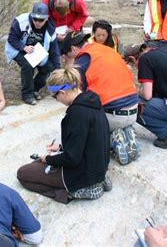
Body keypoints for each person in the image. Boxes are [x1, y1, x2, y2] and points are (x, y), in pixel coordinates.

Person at [17, 67, 111, 204]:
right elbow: (89, 140)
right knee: (36, 164)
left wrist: (47, 159)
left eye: (55, 97)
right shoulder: (93, 101)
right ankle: (98, 180)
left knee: (23, 174)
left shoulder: (77, 113)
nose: (56, 100)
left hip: (81, 172)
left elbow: (72, 158)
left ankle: (72, 192)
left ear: (62, 92)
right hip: (98, 167)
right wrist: (61, 147)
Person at [62, 32, 140, 165]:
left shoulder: (82, 60)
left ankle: (112, 140)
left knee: (78, 119)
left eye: (69, 56)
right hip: (134, 110)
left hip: (113, 116)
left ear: (74, 49)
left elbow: (76, 95)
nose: (72, 59)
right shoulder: (106, 50)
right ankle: (124, 131)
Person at [5, 2, 60, 105]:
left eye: (41, 20)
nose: (37, 22)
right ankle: (27, 94)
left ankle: (34, 88)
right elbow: (11, 39)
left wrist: (58, 68)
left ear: (46, 18)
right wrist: (23, 47)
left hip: (36, 50)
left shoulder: (51, 28)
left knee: (49, 67)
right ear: (31, 15)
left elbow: (54, 49)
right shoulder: (20, 21)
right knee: (28, 65)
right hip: (18, 48)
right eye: (35, 19)